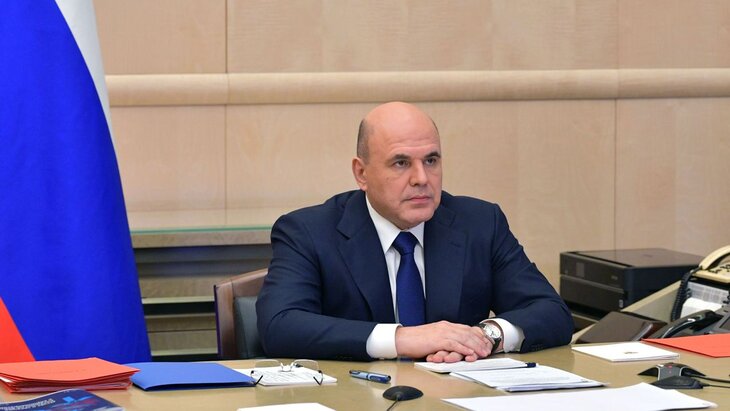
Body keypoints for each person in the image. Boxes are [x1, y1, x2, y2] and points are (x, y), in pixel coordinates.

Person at [256, 102, 573, 362]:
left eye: (431, 160)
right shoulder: (308, 232)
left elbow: (552, 313)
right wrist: (404, 339)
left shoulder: (479, 223)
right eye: (401, 163)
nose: (421, 178)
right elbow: (280, 326)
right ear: (361, 173)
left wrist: (484, 337)